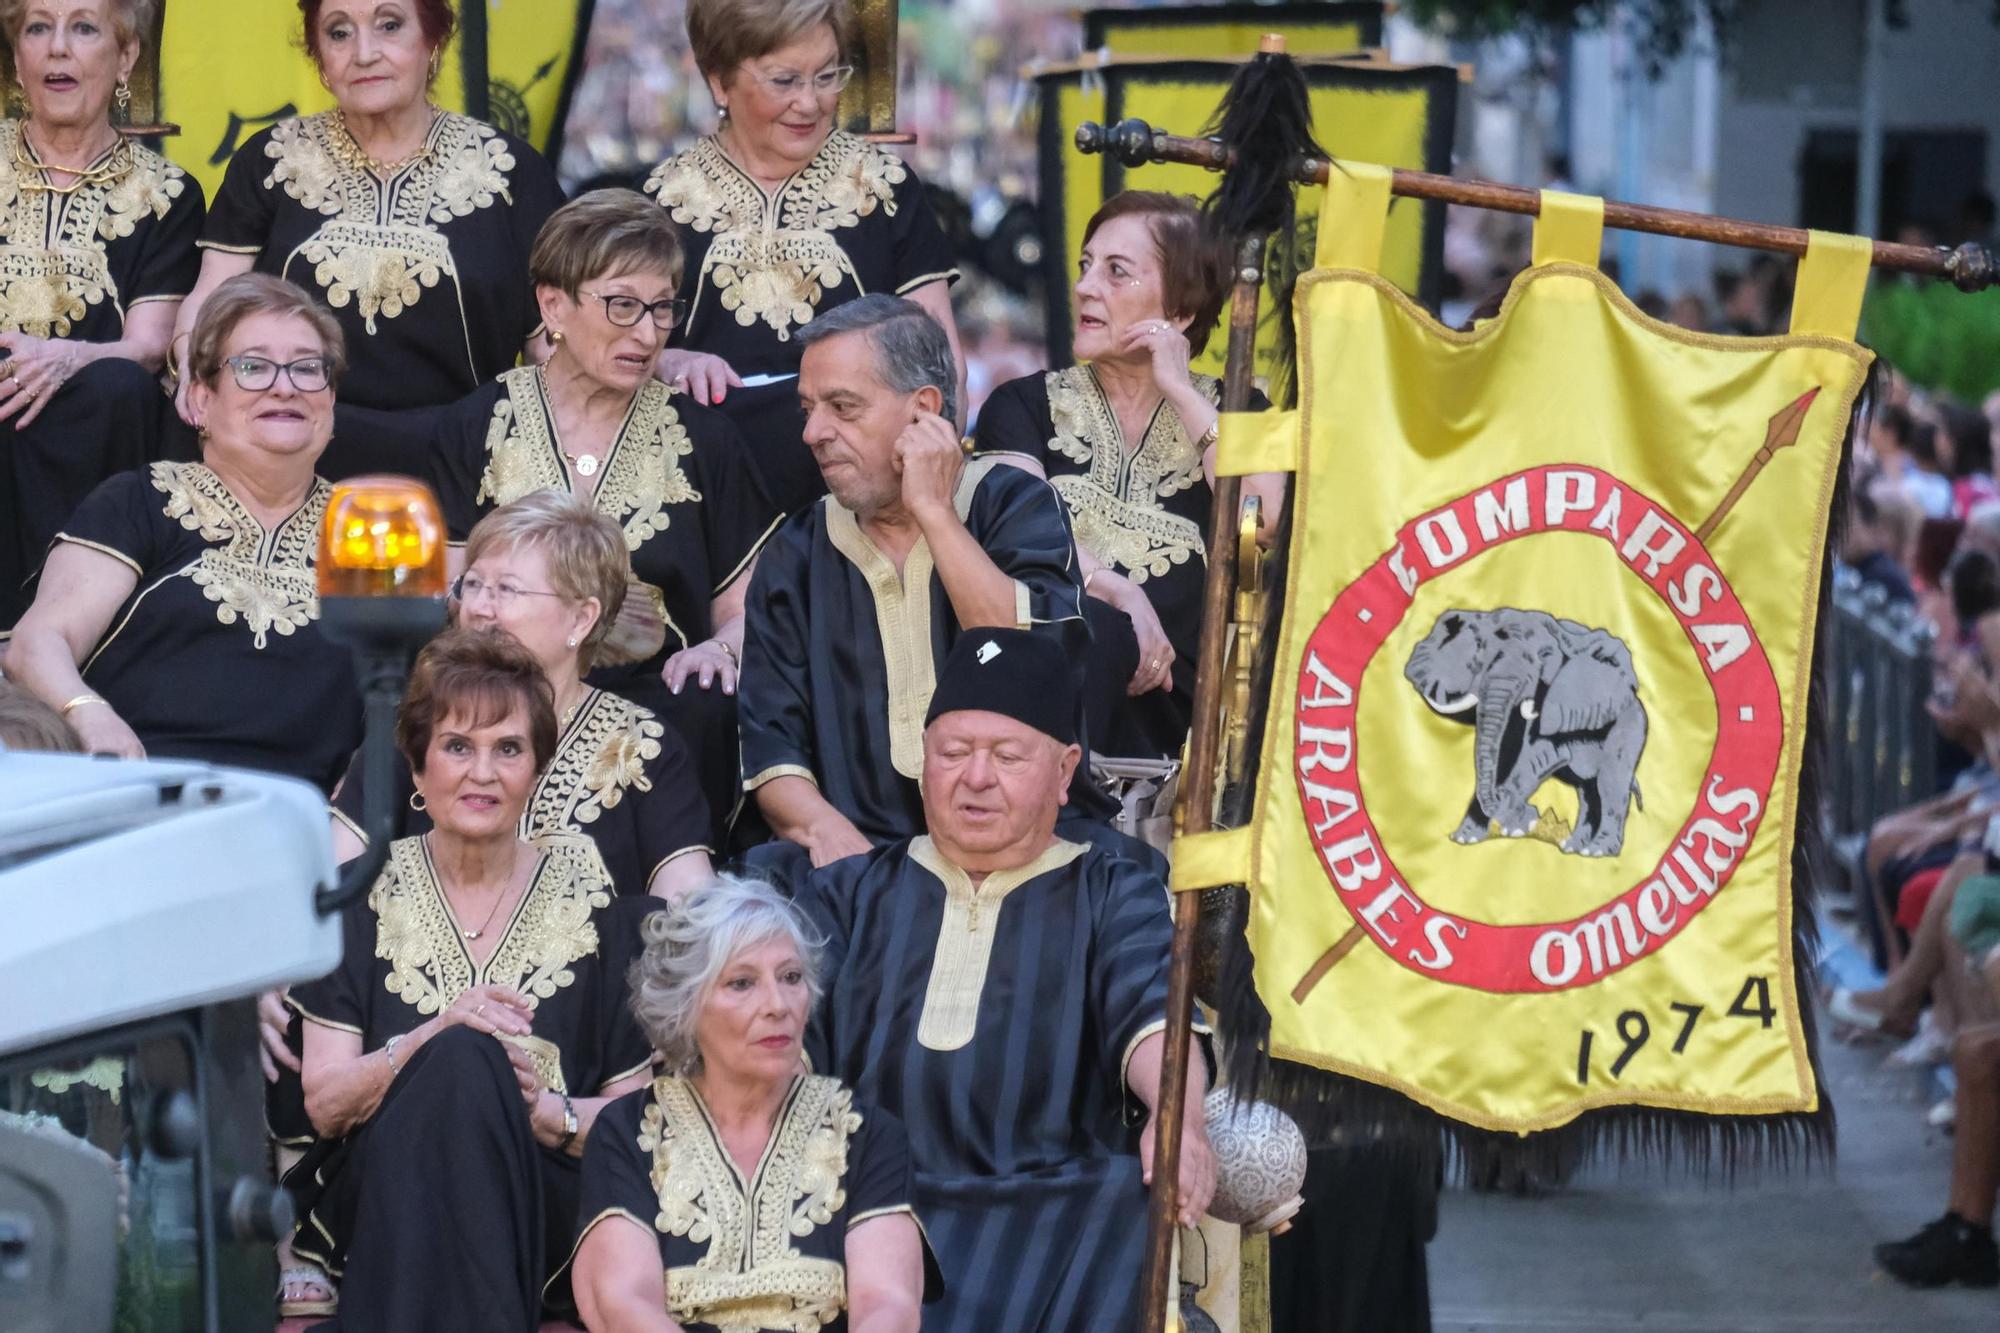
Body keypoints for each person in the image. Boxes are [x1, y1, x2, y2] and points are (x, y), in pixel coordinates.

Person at [792, 627, 1213, 1330]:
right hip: (866, 1204)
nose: (975, 776)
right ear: (924, 763)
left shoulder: (1113, 890)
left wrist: (1180, 1119)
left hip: (1056, 1211)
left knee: (1128, 1197)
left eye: (1007, 755)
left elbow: (1154, 1017)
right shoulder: (846, 894)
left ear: (1063, 768)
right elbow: (777, 1035)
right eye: (953, 753)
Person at [284, 627, 658, 1331]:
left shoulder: (602, 914)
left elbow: (636, 1124)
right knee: (457, 1058)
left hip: (542, 1203)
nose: (482, 772)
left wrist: (546, 1110)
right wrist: (434, 1035)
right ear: (418, 772)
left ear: (536, 770)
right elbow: (326, 1102)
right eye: (458, 746)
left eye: (508, 749)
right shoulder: (358, 895)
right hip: (388, 1194)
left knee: (468, 1067)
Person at [424, 190, 781, 836]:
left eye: (662, 309)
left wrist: (720, 650)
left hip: (655, 701)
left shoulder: (706, 441)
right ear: (553, 304)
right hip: (498, 696)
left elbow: (745, 613)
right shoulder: (476, 425)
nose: (646, 334)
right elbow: (448, 597)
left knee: (702, 703)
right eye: (621, 306)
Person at [737, 294, 1109, 866]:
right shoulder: (797, 553)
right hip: (855, 861)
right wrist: (842, 850)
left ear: (923, 412)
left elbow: (1028, 662)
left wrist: (934, 512)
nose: (814, 432)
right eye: (808, 408)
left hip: (1023, 852)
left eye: (842, 406)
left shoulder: (1013, 505)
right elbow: (772, 753)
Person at [3, 272, 360, 792]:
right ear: (199, 400)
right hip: (131, 798)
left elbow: (403, 713)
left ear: (330, 401)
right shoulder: (140, 501)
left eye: (309, 368)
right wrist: (87, 713)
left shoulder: (372, 533)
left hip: (296, 826)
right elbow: (36, 644)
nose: (285, 386)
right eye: (253, 366)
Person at [172, 0, 565, 472]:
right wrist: (191, 374)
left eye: (390, 25)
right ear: (319, 57)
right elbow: (212, 299)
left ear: (433, 40)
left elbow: (553, 344)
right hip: (290, 447)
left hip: (464, 455)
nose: (363, 52)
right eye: (339, 33)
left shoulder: (511, 173)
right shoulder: (272, 160)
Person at [975, 191, 1286, 759]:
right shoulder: (1022, 407)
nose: (1086, 287)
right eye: (1086, 266)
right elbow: (1008, 532)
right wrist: (1116, 593)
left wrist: (1183, 394)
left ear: (1182, 311)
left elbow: (1262, 523)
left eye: (1117, 272)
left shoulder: (1240, 414)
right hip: (1037, 719)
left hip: (1181, 744)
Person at [553, 874, 936, 1330]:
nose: (778, 1004)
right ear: (685, 1006)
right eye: (741, 983)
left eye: (791, 977)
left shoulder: (867, 1135)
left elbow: (888, 1308)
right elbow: (622, 1305)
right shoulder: (629, 1133)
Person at [644, 0, 963, 513]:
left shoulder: (884, 188)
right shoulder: (662, 200)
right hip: (704, 499)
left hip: (862, 507)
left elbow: (941, 366)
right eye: (785, 80)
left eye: (827, 76)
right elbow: (606, 352)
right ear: (718, 81)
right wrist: (665, 360)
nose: (811, 103)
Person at [330, 491, 716, 898]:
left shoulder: (640, 747)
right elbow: (331, 884)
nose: (479, 607)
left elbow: (689, 918)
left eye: (507, 590)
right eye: (473, 584)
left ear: (582, 618)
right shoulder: (415, 723)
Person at [0, 0, 204, 627]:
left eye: (83, 27)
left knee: (117, 389)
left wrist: (64, 357)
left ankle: (68, 620)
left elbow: (148, 347)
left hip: (90, 413)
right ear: (17, 57)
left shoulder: (167, 194)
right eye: (38, 27)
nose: (58, 47)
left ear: (126, 57)